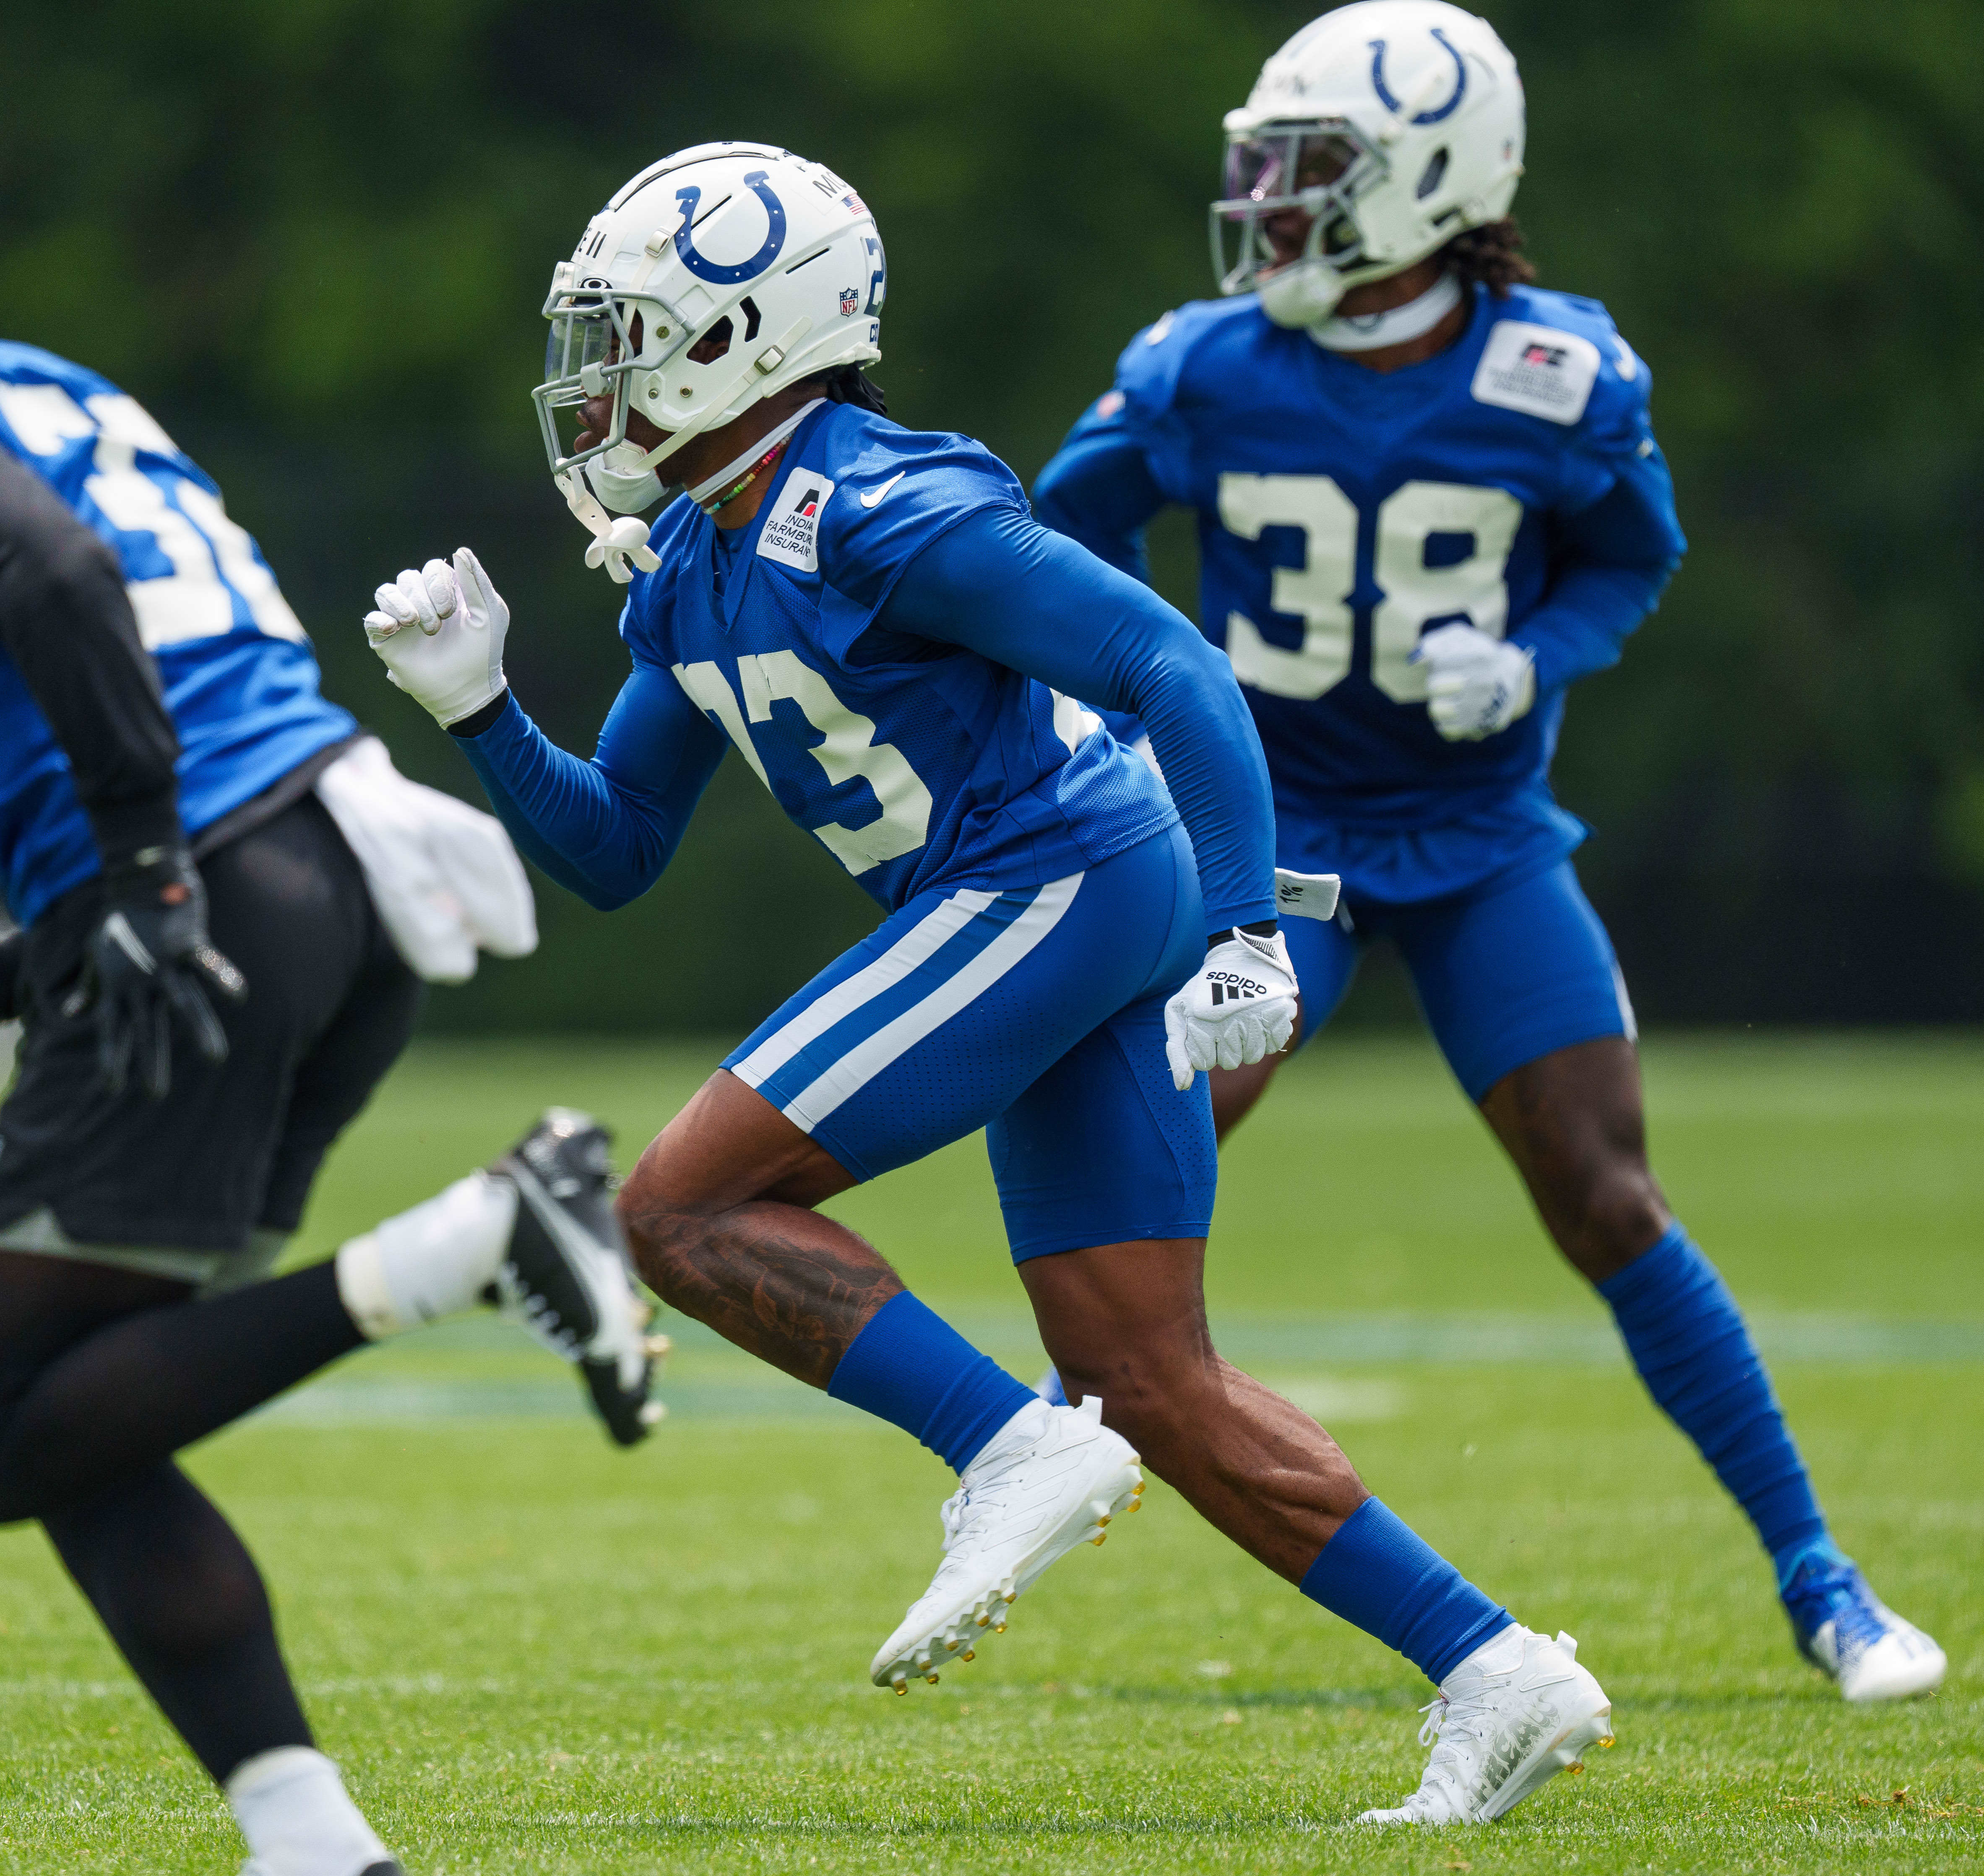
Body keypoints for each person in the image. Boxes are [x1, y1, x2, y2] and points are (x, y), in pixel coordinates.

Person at [363, 140, 1617, 1827]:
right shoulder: (694, 556)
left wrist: (1249, 926)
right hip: (1045, 891)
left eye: (630, 336)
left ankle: (1000, 1446)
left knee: (671, 1209)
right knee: (1150, 1377)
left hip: (1062, 874)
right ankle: (1495, 1669)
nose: (595, 380)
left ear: (741, 339)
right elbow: (614, 849)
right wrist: (479, 708)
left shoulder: (877, 504)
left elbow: (1163, 661)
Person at [0, 63, 662, 1876]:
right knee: (90, 1402)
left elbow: (61, 581)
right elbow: (163, 664)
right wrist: (24, 968)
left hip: (212, 889)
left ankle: (483, 1238)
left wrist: (147, 884)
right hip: (324, 875)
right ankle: (310, 1841)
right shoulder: (51, 385)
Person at [1030, 0, 1944, 1707]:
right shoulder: (1197, 366)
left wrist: (1535, 659)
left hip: (1472, 840)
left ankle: (1819, 1577)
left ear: (1432, 184)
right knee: (1146, 1143)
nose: (1270, 210)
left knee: (1604, 1197)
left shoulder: (1558, 370)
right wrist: (1125, 724)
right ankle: (1044, 1458)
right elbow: (1041, 553)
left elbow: (1625, 562)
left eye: (1311, 176)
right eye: (1267, 170)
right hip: (1266, 847)